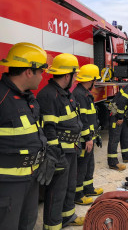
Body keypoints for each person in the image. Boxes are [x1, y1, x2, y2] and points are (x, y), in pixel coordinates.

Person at [0, 42, 48, 230]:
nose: (43, 76)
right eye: (41, 71)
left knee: (27, 223)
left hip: (31, 179)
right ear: (29, 71)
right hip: (8, 185)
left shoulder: (28, 98)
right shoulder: (2, 98)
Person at [37, 53, 84, 227]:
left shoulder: (64, 93)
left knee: (69, 187)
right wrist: (56, 156)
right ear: (67, 75)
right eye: (75, 74)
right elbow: (49, 130)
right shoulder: (49, 95)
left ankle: (67, 217)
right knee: (56, 192)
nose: (76, 77)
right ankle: (53, 224)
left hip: (70, 150)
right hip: (59, 154)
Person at [72, 64, 104, 206]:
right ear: (90, 80)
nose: (95, 83)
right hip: (85, 138)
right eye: (94, 80)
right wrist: (87, 138)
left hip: (89, 136)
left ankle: (88, 188)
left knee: (89, 164)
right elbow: (82, 120)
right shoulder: (80, 94)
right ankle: (78, 195)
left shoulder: (84, 93)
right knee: (82, 166)